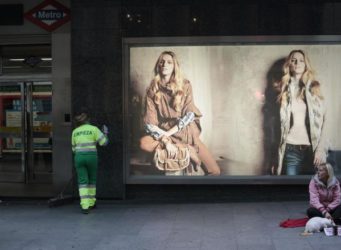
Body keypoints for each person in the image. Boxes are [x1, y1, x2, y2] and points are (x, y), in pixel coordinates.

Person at [140, 51, 220, 176]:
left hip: (184, 132)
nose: (165, 64)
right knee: (143, 143)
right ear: (158, 66)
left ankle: (187, 147)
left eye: (169, 62)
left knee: (215, 171)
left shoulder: (185, 85)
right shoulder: (152, 90)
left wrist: (168, 134)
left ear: (174, 66)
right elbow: (150, 124)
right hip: (163, 132)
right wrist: (166, 140)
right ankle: (186, 150)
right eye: (162, 62)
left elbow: (189, 115)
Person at [275, 49, 327, 175]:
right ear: (289, 65)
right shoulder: (283, 90)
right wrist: (275, 158)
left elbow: (326, 120)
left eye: (301, 60)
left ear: (305, 65)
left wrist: (320, 149)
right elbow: (276, 127)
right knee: (291, 193)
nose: (297, 63)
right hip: (290, 149)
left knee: (314, 192)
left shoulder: (315, 88)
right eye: (294, 60)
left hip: (313, 151)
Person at [71, 112, 108, 214]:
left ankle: (85, 206)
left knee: (83, 182)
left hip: (79, 158)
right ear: (88, 120)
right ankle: (92, 202)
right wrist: (105, 133)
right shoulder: (94, 129)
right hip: (92, 158)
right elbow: (104, 143)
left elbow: (73, 148)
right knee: (92, 180)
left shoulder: (75, 131)